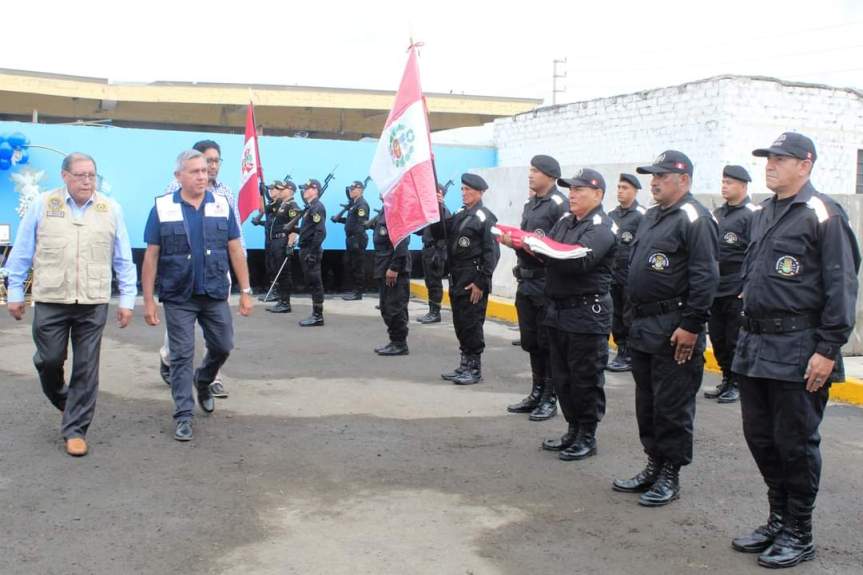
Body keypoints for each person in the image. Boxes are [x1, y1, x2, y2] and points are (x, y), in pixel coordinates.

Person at [730, 133, 859, 569]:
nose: (770, 165)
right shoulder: (764, 212)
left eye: (780, 159)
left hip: (799, 346)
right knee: (761, 438)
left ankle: (799, 531)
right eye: (768, 158)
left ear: (805, 165)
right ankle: (778, 518)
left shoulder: (824, 214)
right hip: (756, 345)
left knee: (796, 443)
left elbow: (842, 287)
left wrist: (828, 348)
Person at [5, 152, 137, 457]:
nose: (87, 181)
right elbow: (23, 250)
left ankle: (76, 430)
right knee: (49, 360)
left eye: (92, 175)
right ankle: (66, 400)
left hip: (93, 301)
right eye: (80, 175)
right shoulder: (43, 204)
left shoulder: (110, 209)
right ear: (65, 176)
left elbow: (123, 259)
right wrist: (14, 292)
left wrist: (127, 300)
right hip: (52, 297)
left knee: (86, 366)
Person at [611, 150, 718, 507]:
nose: (653, 182)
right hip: (644, 326)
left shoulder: (694, 218)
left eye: (661, 176)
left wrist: (691, 326)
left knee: (672, 406)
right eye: (652, 176)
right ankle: (653, 465)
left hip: (675, 329)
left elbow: (705, 277)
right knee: (648, 403)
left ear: (683, 180)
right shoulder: (652, 215)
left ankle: (670, 474)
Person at [141, 150, 253, 442]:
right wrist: (149, 300)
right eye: (195, 172)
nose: (203, 176)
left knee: (224, 345)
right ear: (179, 176)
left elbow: (234, 249)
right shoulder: (162, 208)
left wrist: (245, 290)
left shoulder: (221, 205)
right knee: (181, 355)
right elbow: (151, 256)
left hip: (214, 291)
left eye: (205, 171)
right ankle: (183, 415)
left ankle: (203, 381)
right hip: (179, 293)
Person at [538, 169, 617, 461]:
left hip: (587, 313)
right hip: (559, 312)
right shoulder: (565, 221)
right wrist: (524, 246)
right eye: (570, 189)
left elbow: (578, 260)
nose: (572, 194)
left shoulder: (602, 226)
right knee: (562, 377)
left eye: (579, 189)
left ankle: (587, 434)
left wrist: (543, 249)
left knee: (585, 377)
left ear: (597, 195)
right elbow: (547, 252)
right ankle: (572, 428)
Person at [158, 140, 240, 398]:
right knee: (181, 329)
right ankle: (169, 359)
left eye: (216, 161)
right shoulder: (175, 189)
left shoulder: (225, 192)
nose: (211, 167)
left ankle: (210, 376)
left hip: (216, 269)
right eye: (207, 161)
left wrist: (239, 267)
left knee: (218, 331)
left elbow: (235, 235)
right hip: (183, 272)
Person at [501, 155, 567, 421]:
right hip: (526, 281)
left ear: (550, 176)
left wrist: (524, 245)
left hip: (545, 281)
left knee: (547, 341)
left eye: (535, 171)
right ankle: (536, 391)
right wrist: (514, 243)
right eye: (529, 170)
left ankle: (550, 396)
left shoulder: (558, 205)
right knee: (531, 341)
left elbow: (556, 245)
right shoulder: (531, 204)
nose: (530, 175)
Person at [437, 173, 500, 385]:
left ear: (480, 192)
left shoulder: (485, 217)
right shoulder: (460, 213)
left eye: (469, 190)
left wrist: (481, 282)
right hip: (457, 275)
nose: (464, 193)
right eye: (462, 189)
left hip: (473, 277)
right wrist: (437, 208)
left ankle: (474, 369)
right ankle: (464, 364)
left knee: (472, 323)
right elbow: (441, 231)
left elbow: (492, 253)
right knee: (460, 322)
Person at [704, 165, 759, 403]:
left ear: (743, 186)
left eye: (730, 183)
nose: (724, 186)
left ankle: (736, 383)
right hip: (716, 288)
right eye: (723, 182)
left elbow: (756, 253)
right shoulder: (718, 213)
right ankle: (726, 378)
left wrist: (747, 286)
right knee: (717, 338)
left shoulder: (752, 214)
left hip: (736, 289)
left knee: (734, 339)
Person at [607, 173, 646, 372]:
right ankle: (621, 349)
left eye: (625, 188)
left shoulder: (641, 215)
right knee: (616, 314)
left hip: (631, 275)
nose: (621, 191)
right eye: (619, 187)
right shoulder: (612, 216)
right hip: (614, 274)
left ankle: (630, 353)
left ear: (635, 191)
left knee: (629, 315)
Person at [371, 208, 411, 356]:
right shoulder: (385, 210)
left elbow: (401, 242)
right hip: (383, 264)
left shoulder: (396, 212)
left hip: (393, 267)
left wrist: (394, 268)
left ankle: (400, 343)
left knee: (395, 306)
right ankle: (394, 340)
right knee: (386, 306)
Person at [262, 180, 300, 313]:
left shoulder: (292, 206)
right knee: (276, 269)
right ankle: (280, 300)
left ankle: (285, 302)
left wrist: (290, 244)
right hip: (274, 241)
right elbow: (267, 208)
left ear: (289, 191)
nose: (280, 191)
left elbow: (294, 228)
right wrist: (264, 192)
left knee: (284, 273)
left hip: (282, 241)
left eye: (282, 189)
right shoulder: (281, 204)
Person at [416, 183, 451, 324]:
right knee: (430, 281)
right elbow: (421, 230)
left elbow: (444, 233)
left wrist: (439, 252)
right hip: (428, 249)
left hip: (436, 251)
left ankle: (435, 312)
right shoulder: (431, 211)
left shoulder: (443, 211)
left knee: (434, 282)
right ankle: (432, 310)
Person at [294, 179, 327, 327]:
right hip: (305, 248)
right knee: (311, 282)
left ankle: (318, 316)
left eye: (307, 189)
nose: (304, 191)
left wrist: (313, 253)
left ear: (315, 190)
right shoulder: (310, 207)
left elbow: (320, 232)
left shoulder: (317, 207)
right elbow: (308, 230)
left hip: (310, 250)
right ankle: (316, 313)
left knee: (315, 282)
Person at [332, 180, 370, 301]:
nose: (350, 191)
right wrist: (340, 219)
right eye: (350, 189)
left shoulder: (361, 205)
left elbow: (361, 224)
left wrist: (355, 240)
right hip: (351, 238)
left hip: (357, 239)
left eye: (353, 189)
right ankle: (355, 290)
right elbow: (351, 221)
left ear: (360, 190)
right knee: (352, 264)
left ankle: (358, 293)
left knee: (358, 265)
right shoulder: (354, 204)